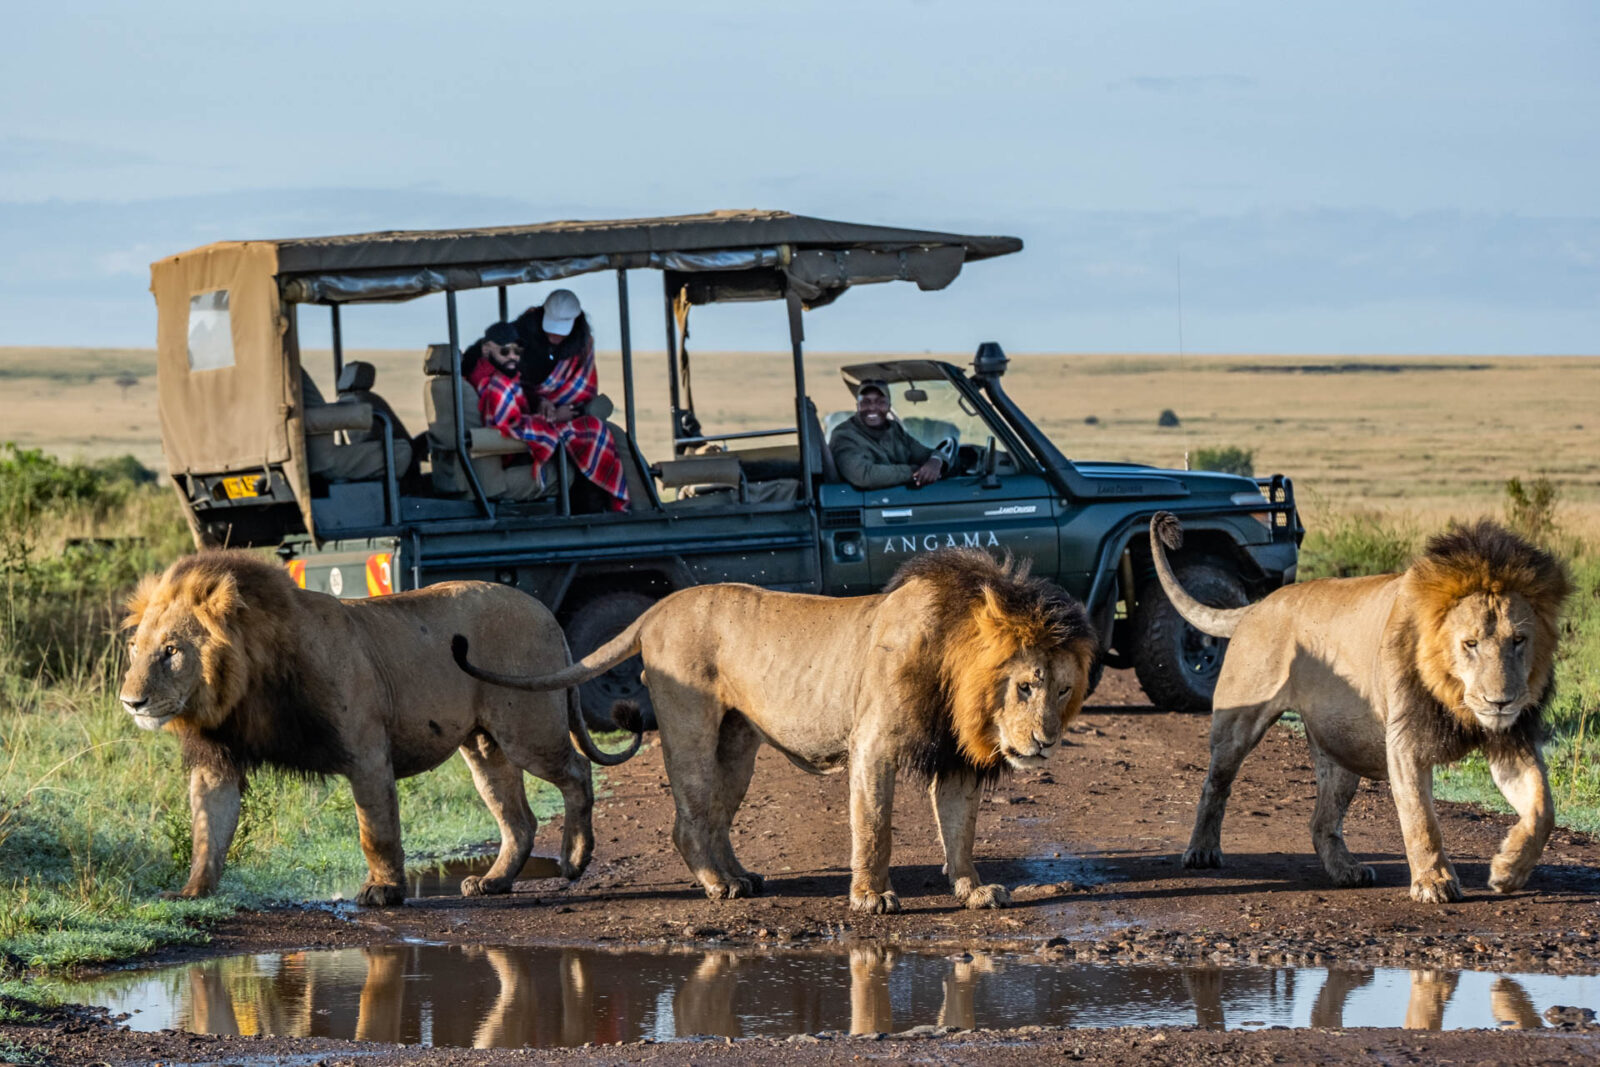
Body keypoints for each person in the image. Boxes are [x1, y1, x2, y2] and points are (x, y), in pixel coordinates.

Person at [462, 307, 629, 512]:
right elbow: (511, 425)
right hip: (507, 455)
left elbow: (515, 408)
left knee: (589, 438)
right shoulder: (496, 384)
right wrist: (555, 421)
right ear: (487, 349)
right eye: (505, 351)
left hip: (504, 453)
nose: (512, 357)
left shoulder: (491, 375)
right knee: (586, 446)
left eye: (517, 351)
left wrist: (540, 403)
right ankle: (596, 520)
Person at [828, 379, 946, 490]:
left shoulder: (895, 430)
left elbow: (925, 453)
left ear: (889, 406)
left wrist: (936, 461)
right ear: (857, 407)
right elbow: (864, 475)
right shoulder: (844, 435)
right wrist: (916, 472)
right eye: (865, 402)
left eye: (880, 402)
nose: (872, 407)